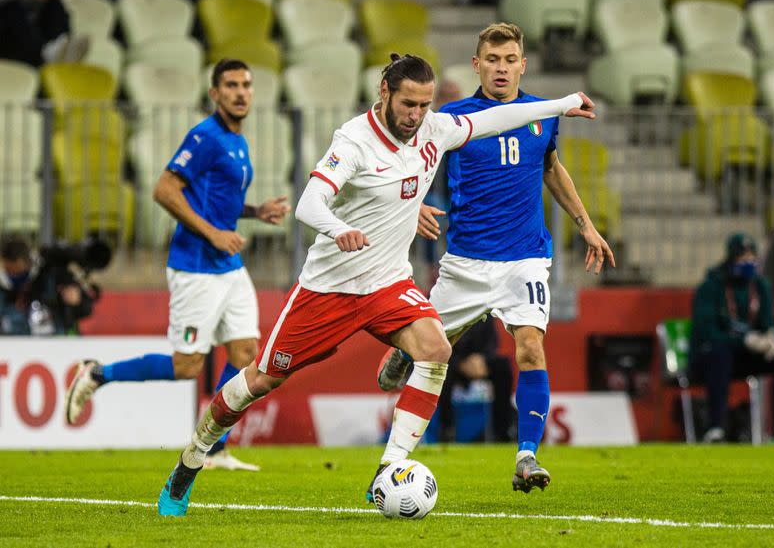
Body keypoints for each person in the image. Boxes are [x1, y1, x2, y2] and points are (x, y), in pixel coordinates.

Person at [155, 52, 596, 516]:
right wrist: (335, 228)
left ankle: (389, 469)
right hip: (329, 289)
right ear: (385, 92)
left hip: (387, 285)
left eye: (425, 105)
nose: (416, 116)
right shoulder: (353, 140)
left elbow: (497, 117)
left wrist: (560, 103)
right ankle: (192, 457)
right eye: (409, 104)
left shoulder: (434, 130)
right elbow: (309, 204)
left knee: (435, 347)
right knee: (261, 380)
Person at [375, 23, 615, 494]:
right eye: (492, 60)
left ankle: (526, 455)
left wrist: (586, 224)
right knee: (431, 353)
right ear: (476, 64)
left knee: (530, 346)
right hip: (465, 262)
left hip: (525, 258)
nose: (501, 69)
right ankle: (402, 372)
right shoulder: (452, 118)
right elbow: (403, 161)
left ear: (522, 65)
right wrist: (415, 202)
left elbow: (551, 168)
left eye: (510, 61)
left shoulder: (542, 114)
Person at [64, 59, 291, 471]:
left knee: (245, 354)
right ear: (215, 93)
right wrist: (214, 234)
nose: (241, 92)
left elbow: (217, 201)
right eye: (231, 85)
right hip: (196, 266)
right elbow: (164, 190)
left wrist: (257, 212)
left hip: (228, 264)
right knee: (188, 366)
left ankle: (212, 448)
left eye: (246, 85)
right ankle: (98, 374)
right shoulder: (204, 136)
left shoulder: (237, 140)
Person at [689, 232, 774, 444]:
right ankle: (716, 429)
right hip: (709, 357)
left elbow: (767, 321)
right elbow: (707, 332)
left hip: (744, 356)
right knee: (720, 356)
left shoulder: (759, 286)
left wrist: (770, 337)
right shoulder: (712, 286)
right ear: (731, 259)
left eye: (751, 258)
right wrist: (744, 341)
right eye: (742, 258)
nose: (748, 263)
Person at [437, 315, 514, 442]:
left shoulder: (484, 307)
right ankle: (446, 430)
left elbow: (492, 340)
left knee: (503, 367)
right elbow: (438, 341)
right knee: (442, 371)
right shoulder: (444, 303)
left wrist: (482, 358)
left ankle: (502, 432)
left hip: (480, 361)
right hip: (451, 360)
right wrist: (459, 362)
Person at [1, 237, 97, 335]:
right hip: (13, 344)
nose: (11, 273)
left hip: (57, 342)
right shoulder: (3, 285)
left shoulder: (53, 273)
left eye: (13, 268)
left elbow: (87, 309)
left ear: (24, 261)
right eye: (7, 268)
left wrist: (77, 301)